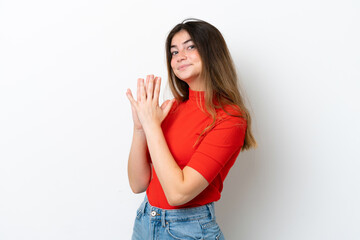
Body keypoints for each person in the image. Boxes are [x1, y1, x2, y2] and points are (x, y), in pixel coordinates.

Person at [126, 18, 256, 240]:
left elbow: (178, 193)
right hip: (146, 221)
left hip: (187, 230)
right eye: (174, 52)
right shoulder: (173, 107)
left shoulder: (230, 118)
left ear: (212, 51)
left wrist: (152, 126)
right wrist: (140, 129)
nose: (179, 57)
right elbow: (138, 184)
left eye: (190, 46)